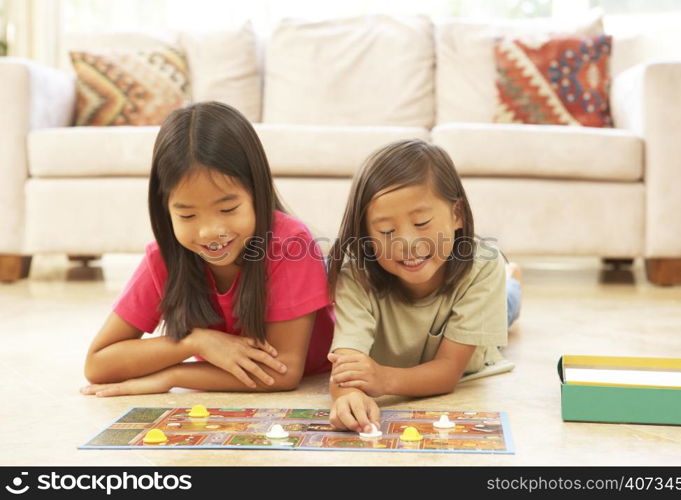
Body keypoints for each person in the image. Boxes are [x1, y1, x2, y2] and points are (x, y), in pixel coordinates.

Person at [81, 102, 333, 397]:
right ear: (165, 210)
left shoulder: (290, 244)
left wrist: (174, 375)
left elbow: (284, 371)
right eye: (187, 215)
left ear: (256, 192)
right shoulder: (165, 256)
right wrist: (194, 342)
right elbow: (98, 365)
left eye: (228, 209)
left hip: (313, 374)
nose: (209, 232)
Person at [326, 139, 522, 433]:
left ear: (457, 215)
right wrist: (348, 396)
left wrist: (382, 379)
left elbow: (447, 372)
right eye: (386, 231)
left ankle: (513, 278)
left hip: (473, 337)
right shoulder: (355, 275)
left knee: (507, 305)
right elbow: (346, 365)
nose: (407, 243)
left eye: (422, 223)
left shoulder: (481, 267)